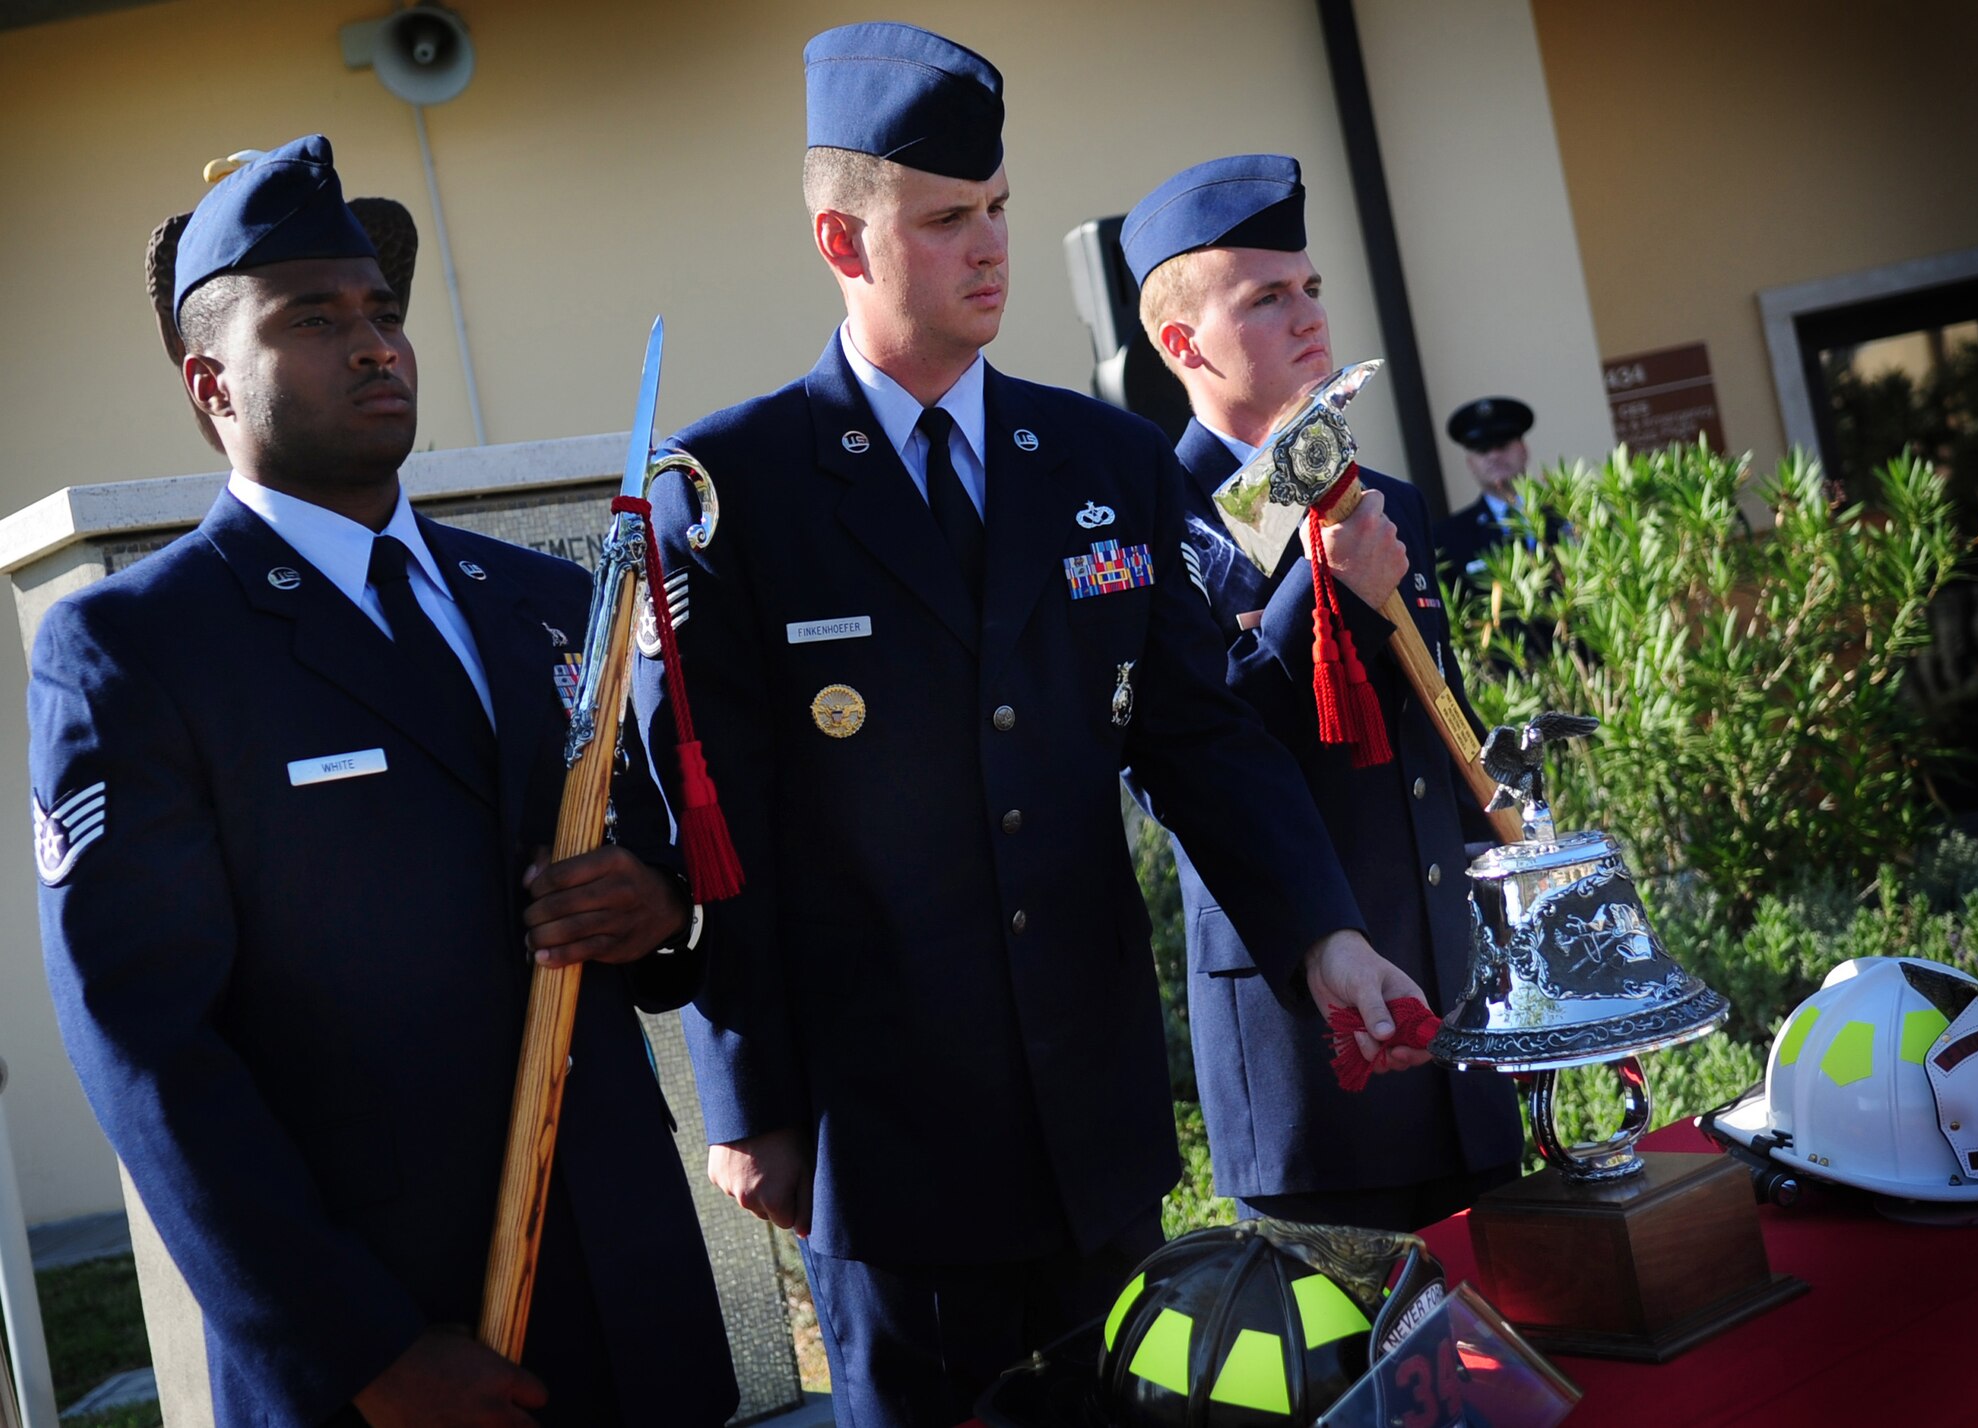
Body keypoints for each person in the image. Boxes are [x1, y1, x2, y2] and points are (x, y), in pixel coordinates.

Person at [632, 26, 1425, 1428]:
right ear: (841, 237)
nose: (987, 247)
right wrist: (746, 1096)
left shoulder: (1101, 461)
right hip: (885, 1143)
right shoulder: (734, 493)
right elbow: (711, 813)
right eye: (945, 221)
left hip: (1097, 1125)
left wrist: (1325, 933)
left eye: (996, 210)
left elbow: (1202, 742)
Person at [29, 136, 735, 1428]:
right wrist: (359, 1351)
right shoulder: (142, 649)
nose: (375, 345)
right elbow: (151, 1047)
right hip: (390, 1343)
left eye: (383, 312)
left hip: (635, 1311)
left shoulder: (537, 598)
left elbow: (655, 873)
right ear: (210, 384)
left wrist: (657, 907)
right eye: (314, 319)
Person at [1121, 154, 1522, 1230]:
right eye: (1263, 298)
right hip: (1310, 1043)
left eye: (1309, 287)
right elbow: (1190, 753)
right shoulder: (1149, 519)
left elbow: (1430, 732)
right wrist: (1319, 585)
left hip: (1449, 1006)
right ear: (1181, 343)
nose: (1306, 316)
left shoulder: (1376, 493)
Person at [1435, 395, 1536, 580]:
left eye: (1502, 445)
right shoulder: (1449, 538)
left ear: (1523, 449)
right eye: (1482, 450)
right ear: (1470, 463)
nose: (1494, 456)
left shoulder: (1567, 514)